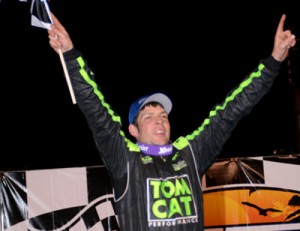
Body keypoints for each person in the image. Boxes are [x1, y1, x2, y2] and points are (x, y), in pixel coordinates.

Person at [47, 12, 296, 231]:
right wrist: (70, 55)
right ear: (133, 129)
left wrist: (273, 62)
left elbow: (230, 112)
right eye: (149, 116)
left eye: (163, 116)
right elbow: (96, 110)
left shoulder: (190, 153)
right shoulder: (124, 158)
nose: (159, 121)